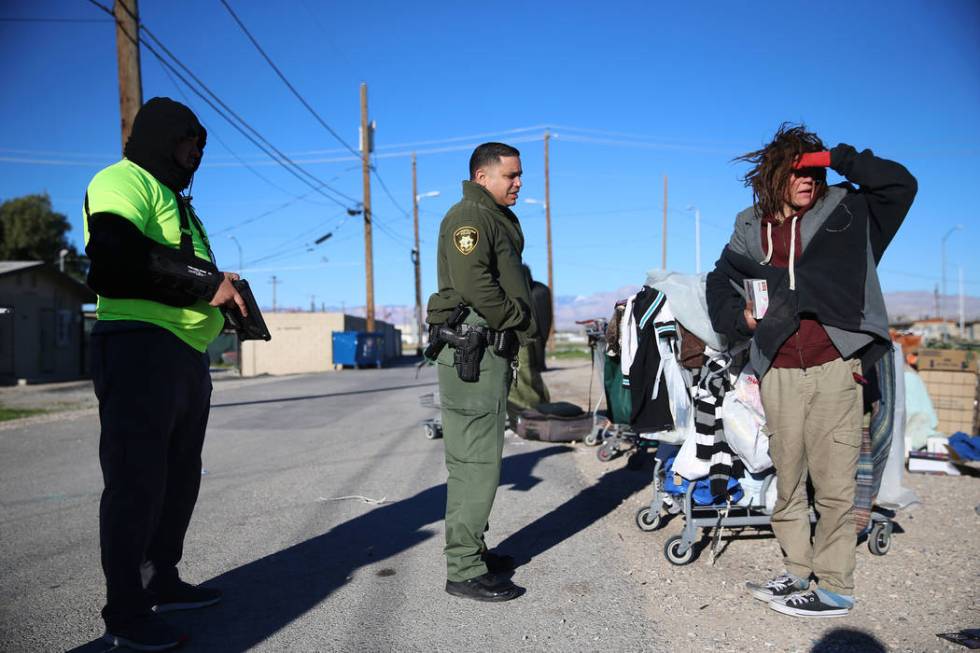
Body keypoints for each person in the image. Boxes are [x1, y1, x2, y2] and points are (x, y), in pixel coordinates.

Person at [706, 124, 916, 618]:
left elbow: (900, 184)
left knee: (835, 479)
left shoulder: (848, 208)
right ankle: (796, 571)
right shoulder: (750, 225)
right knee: (789, 476)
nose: (806, 176)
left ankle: (835, 584)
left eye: (812, 167)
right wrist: (739, 321)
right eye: (796, 168)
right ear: (772, 175)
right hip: (777, 367)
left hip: (833, 365)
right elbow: (720, 279)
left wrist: (835, 158)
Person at [83, 97, 246, 650]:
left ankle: (162, 580)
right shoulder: (121, 180)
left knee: (179, 479)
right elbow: (113, 258)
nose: (195, 152)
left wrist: (217, 286)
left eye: (201, 144)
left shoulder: (175, 198)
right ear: (159, 137)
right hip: (138, 348)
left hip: (183, 354)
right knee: (136, 483)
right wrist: (205, 281)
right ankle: (126, 611)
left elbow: (174, 264)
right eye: (187, 141)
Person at [426, 142, 537, 601]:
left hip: (486, 351)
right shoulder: (468, 218)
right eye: (510, 175)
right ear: (482, 176)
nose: (518, 182)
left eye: (519, 174)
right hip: (474, 350)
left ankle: (473, 550)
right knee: (475, 462)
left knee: (479, 459)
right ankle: (464, 569)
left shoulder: (491, 216)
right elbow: (475, 285)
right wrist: (518, 317)